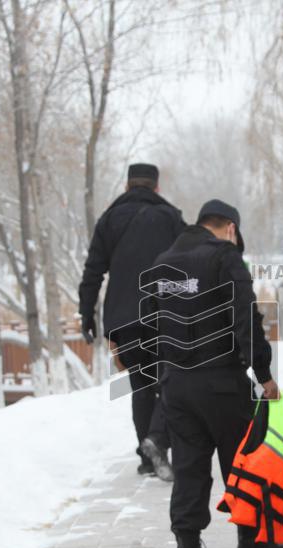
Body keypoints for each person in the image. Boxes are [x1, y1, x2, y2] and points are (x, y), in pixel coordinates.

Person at [144, 199, 283, 548]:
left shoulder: (161, 263)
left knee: (190, 467)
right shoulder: (225, 257)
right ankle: (249, 540)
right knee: (240, 462)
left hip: (176, 383)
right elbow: (246, 318)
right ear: (230, 228)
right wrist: (264, 373)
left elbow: (152, 327)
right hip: (221, 381)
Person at [78, 163, 185, 481]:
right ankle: (157, 440)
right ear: (156, 187)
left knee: (142, 386)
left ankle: (147, 458)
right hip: (165, 315)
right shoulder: (170, 218)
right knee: (171, 381)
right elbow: (190, 262)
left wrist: (87, 315)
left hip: (124, 318)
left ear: (127, 186)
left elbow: (93, 271)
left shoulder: (110, 219)